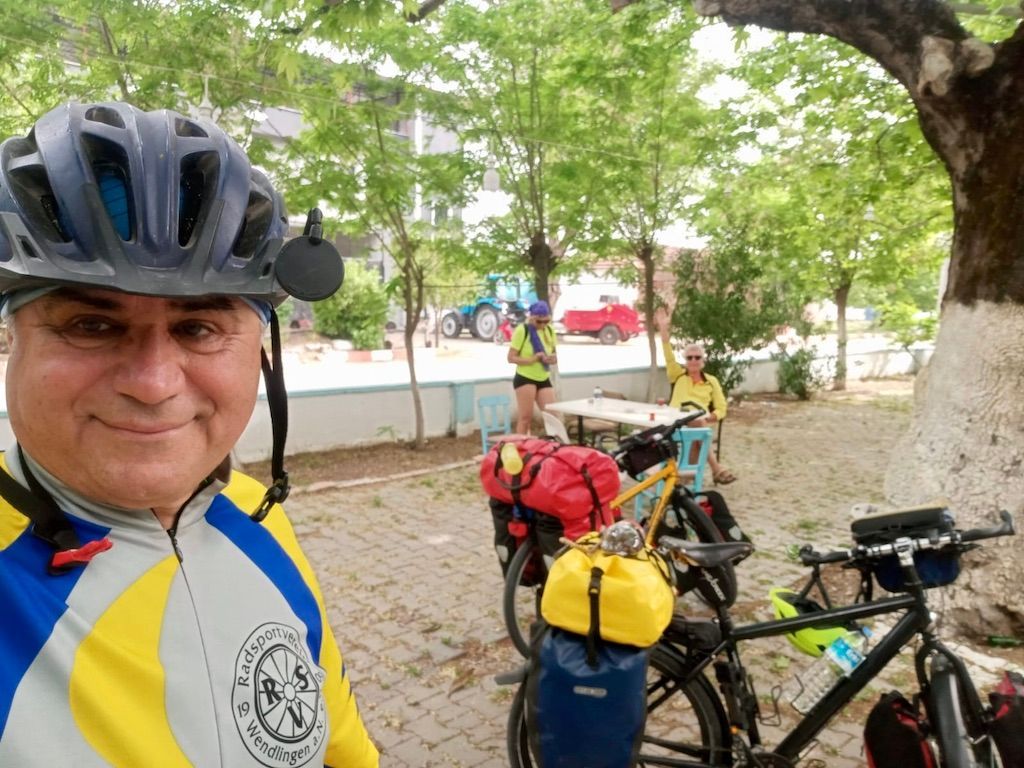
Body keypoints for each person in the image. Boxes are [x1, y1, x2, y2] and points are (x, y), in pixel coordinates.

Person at [0, 101, 379, 766]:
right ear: (13, 342)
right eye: (91, 324)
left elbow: (344, 751)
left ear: (260, 353)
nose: (153, 383)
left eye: (198, 328)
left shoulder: (258, 520)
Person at [654, 307, 737, 485]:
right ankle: (716, 469)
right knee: (699, 428)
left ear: (703, 361)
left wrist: (710, 417)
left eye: (697, 357)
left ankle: (686, 477)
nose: (693, 361)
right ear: (685, 361)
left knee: (698, 426)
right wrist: (663, 328)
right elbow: (667, 352)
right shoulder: (678, 375)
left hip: (699, 422)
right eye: (689, 358)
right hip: (675, 422)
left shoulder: (711, 381)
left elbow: (721, 408)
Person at [508, 300, 557, 434]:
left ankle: (555, 443)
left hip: (543, 377)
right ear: (531, 318)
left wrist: (551, 359)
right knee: (526, 418)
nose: (542, 325)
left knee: (553, 416)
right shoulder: (522, 330)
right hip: (525, 377)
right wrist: (533, 359)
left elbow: (553, 352)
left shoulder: (549, 331)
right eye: (539, 322)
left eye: (546, 321)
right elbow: (511, 358)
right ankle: (521, 444)